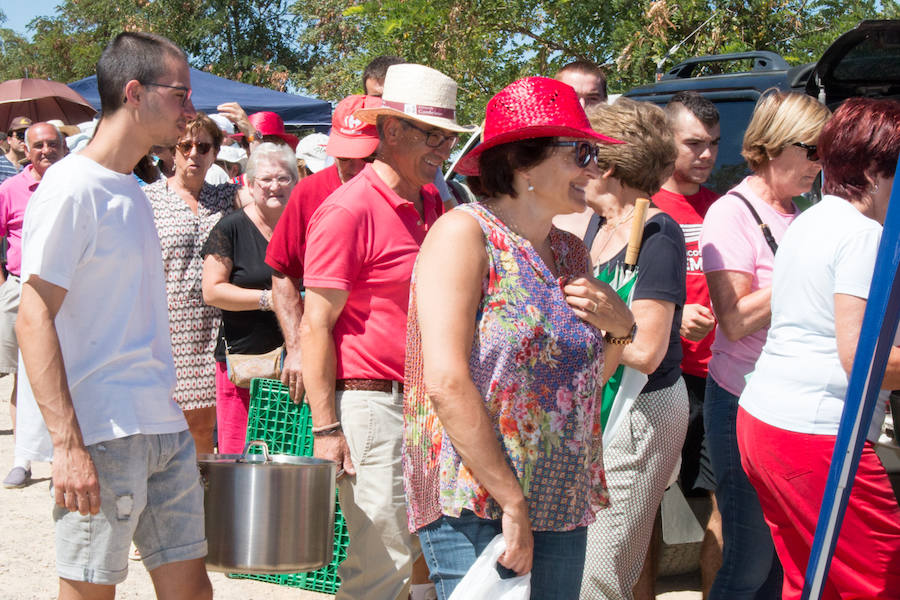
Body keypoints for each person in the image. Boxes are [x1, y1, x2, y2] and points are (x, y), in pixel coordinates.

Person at [404, 76, 632, 600]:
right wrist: (512, 503)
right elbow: (445, 380)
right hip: (477, 495)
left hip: (559, 492)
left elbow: (576, 386)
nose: (594, 168)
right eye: (580, 152)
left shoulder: (572, 251)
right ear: (524, 162)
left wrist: (621, 332)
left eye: (593, 153)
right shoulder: (465, 233)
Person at [15, 31, 211, 598]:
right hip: (102, 433)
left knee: (193, 591)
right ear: (134, 93)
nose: (190, 111)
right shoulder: (71, 188)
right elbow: (33, 317)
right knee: (88, 591)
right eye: (180, 94)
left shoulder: (130, 188)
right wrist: (66, 444)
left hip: (161, 424)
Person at [299, 64, 472, 600]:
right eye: (433, 135)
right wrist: (326, 429)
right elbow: (314, 324)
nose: (443, 148)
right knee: (381, 567)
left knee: (424, 557)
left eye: (448, 136)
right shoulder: (347, 211)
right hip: (374, 408)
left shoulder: (437, 203)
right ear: (391, 131)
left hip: (425, 405)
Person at [738, 97, 900, 600]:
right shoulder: (862, 236)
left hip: (766, 422)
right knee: (877, 582)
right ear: (876, 170)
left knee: (812, 582)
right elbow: (861, 358)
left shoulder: (813, 218)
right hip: (815, 436)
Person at [700, 90, 831, 599]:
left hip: (787, 404)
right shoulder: (732, 214)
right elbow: (733, 319)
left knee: (783, 562)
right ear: (776, 145)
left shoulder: (801, 212)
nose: (822, 164)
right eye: (814, 150)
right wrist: (807, 273)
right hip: (739, 400)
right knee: (750, 562)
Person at [560, 99, 687, 600]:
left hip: (640, 411)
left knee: (601, 573)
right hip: (601, 407)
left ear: (607, 162)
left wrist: (609, 323)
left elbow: (647, 350)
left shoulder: (658, 233)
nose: (574, 163)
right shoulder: (597, 226)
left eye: (581, 151)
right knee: (579, 566)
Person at [652, 90, 722, 593]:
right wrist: (672, 317)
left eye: (714, 145)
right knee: (645, 506)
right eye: (694, 143)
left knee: (726, 500)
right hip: (663, 376)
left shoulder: (722, 206)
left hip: (720, 376)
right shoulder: (643, 205)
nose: (706, 155)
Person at [266, 94, 381, 402]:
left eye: (366, 159)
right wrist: (296, 348)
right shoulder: (309, 192)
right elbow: (281, 272)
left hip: (387, 377)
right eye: (345, 159)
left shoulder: (414, 194)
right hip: (326, 369)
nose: (355, 169)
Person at [144, 112, 239, 455]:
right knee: (173, 423)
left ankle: (201, 498)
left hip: (219, 326)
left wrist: (254, 134)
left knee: (208, 425)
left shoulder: (226, 199)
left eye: (203, 146)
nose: (193, 154)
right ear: (172, 150)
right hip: (170, 326)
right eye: (186, 146)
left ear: (215, 152)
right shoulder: (150, 201)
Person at [201, 143, 294, 453]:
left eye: (283, 178)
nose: (274, 186)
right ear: (250, 185)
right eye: (265, 179)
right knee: (239, 454)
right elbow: (212, 290)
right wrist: (270, 299)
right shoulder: (230, 228)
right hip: (243, 365)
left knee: (285, 451)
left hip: (293, 365)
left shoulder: (302, 228)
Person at [0, 122, 66, 489]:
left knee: (63, 370)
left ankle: (62, 456)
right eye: (38, 145)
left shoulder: (74, 184)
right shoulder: (10, 190)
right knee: (19, 375)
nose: (46, 150)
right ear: (26, 150)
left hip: (66, 293)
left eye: (52, 144)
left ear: (63, 147)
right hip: (19, 289)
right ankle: (22, 458)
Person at [0, 117, 31, 183]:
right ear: (9, 140)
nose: (24, 140)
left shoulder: (35, 167)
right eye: (20, 135)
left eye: (28, 135)